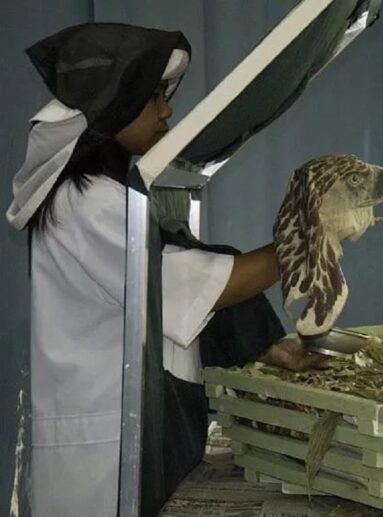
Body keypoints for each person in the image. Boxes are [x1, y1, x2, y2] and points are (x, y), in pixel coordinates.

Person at [6, 22, 331, 516]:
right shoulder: (87, 202)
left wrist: (269, 348)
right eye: (153, 97)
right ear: (114, 106)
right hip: (104, 455)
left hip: (127, 435)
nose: (167, 110)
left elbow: (188, 282)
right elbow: (188, 286)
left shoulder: (115, 194)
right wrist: (310, 236)